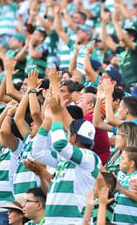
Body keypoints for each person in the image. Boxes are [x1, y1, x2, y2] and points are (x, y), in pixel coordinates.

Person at [31, 95, 101, 224]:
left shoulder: (90, 157)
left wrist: (57, 116)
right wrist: (47, 120)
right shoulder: (65, 159)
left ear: (73, 137)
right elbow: (37, 152)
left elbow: (59, 144)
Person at [113, 146, 137, 225]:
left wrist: (120, 187)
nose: (120, 161)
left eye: (122, 159)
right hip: (117, 221)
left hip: (132, 222)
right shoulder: (121, 177)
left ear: (131, 163)